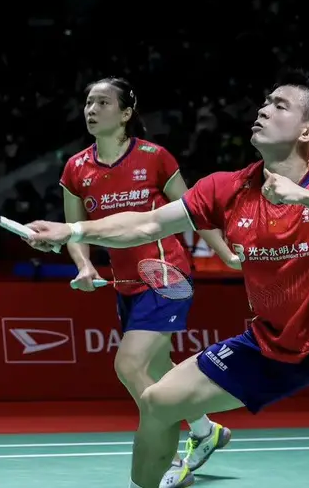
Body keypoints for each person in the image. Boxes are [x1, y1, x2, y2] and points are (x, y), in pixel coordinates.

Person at [26, 68, 309, 488]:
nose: (263, 110)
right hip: (267, 343)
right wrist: (73, 231)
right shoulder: (226, 187)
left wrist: (305, 197)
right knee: (156, 401)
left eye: (279, 105)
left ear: (308, 131)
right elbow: (148, 224)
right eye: (265, 102)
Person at [56, 77, 239, 488]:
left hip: (165, 273)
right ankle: (205, 430)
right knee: (158, 368)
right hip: (125, 284)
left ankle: (168, 459)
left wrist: (225, 253)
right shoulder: (76, 169)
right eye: (88, 102)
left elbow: (194, 209)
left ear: (125, 113)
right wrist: (84, 266)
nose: (91, 109)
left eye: (103, 102)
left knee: (129, 365)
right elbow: (74, 229)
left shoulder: (154, 157)